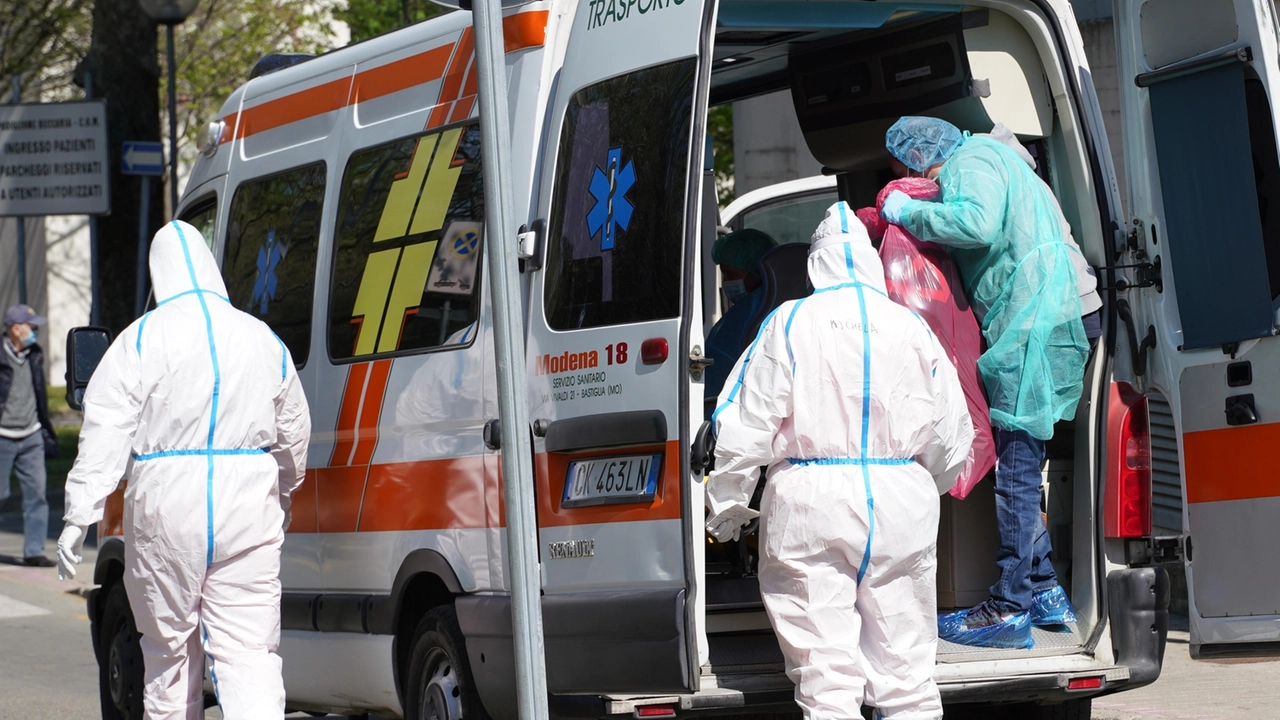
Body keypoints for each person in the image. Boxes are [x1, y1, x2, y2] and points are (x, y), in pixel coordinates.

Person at [706, 202, 974, 720]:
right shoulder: (913, 328)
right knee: (907, 679)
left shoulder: (789, 323)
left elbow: (744, 421)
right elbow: (952, 433)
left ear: (815, 263)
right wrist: (919, 486)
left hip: (811, 505)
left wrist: (729, 505)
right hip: (901, 500)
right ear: (869, 262)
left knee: (826, 679)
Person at [56, 220, 312, 719]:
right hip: (247, 504)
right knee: (250, 656)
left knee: (169, 657)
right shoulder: (261, 339)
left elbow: (104, 431)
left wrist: (76, 517)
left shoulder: (139, 341)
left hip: (164, 506)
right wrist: (281, 496)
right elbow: (293, 433)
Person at [880, 116, 1091, 649]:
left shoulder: (972, 164)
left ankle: (1008, 605)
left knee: (1017, 465)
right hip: (1048, 310)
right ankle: (1041, 588)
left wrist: (907, 211)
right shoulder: (996, 161)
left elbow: (974, 225)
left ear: (915, 160)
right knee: (1018, 453)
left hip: (1038, 317)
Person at [0, 304, 59, 567]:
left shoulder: (34, 353)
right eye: (31, 326)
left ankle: (34, 551)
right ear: (15, 329)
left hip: (32, 435)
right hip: (2, 435)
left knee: (37, 495)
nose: (35, 330)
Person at [703, 228, 778, 401]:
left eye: (731, 274)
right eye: (724, 274)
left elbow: (717, 371)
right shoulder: (782, 301)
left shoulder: (744, 314)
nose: (727, 281)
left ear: (756, 269)